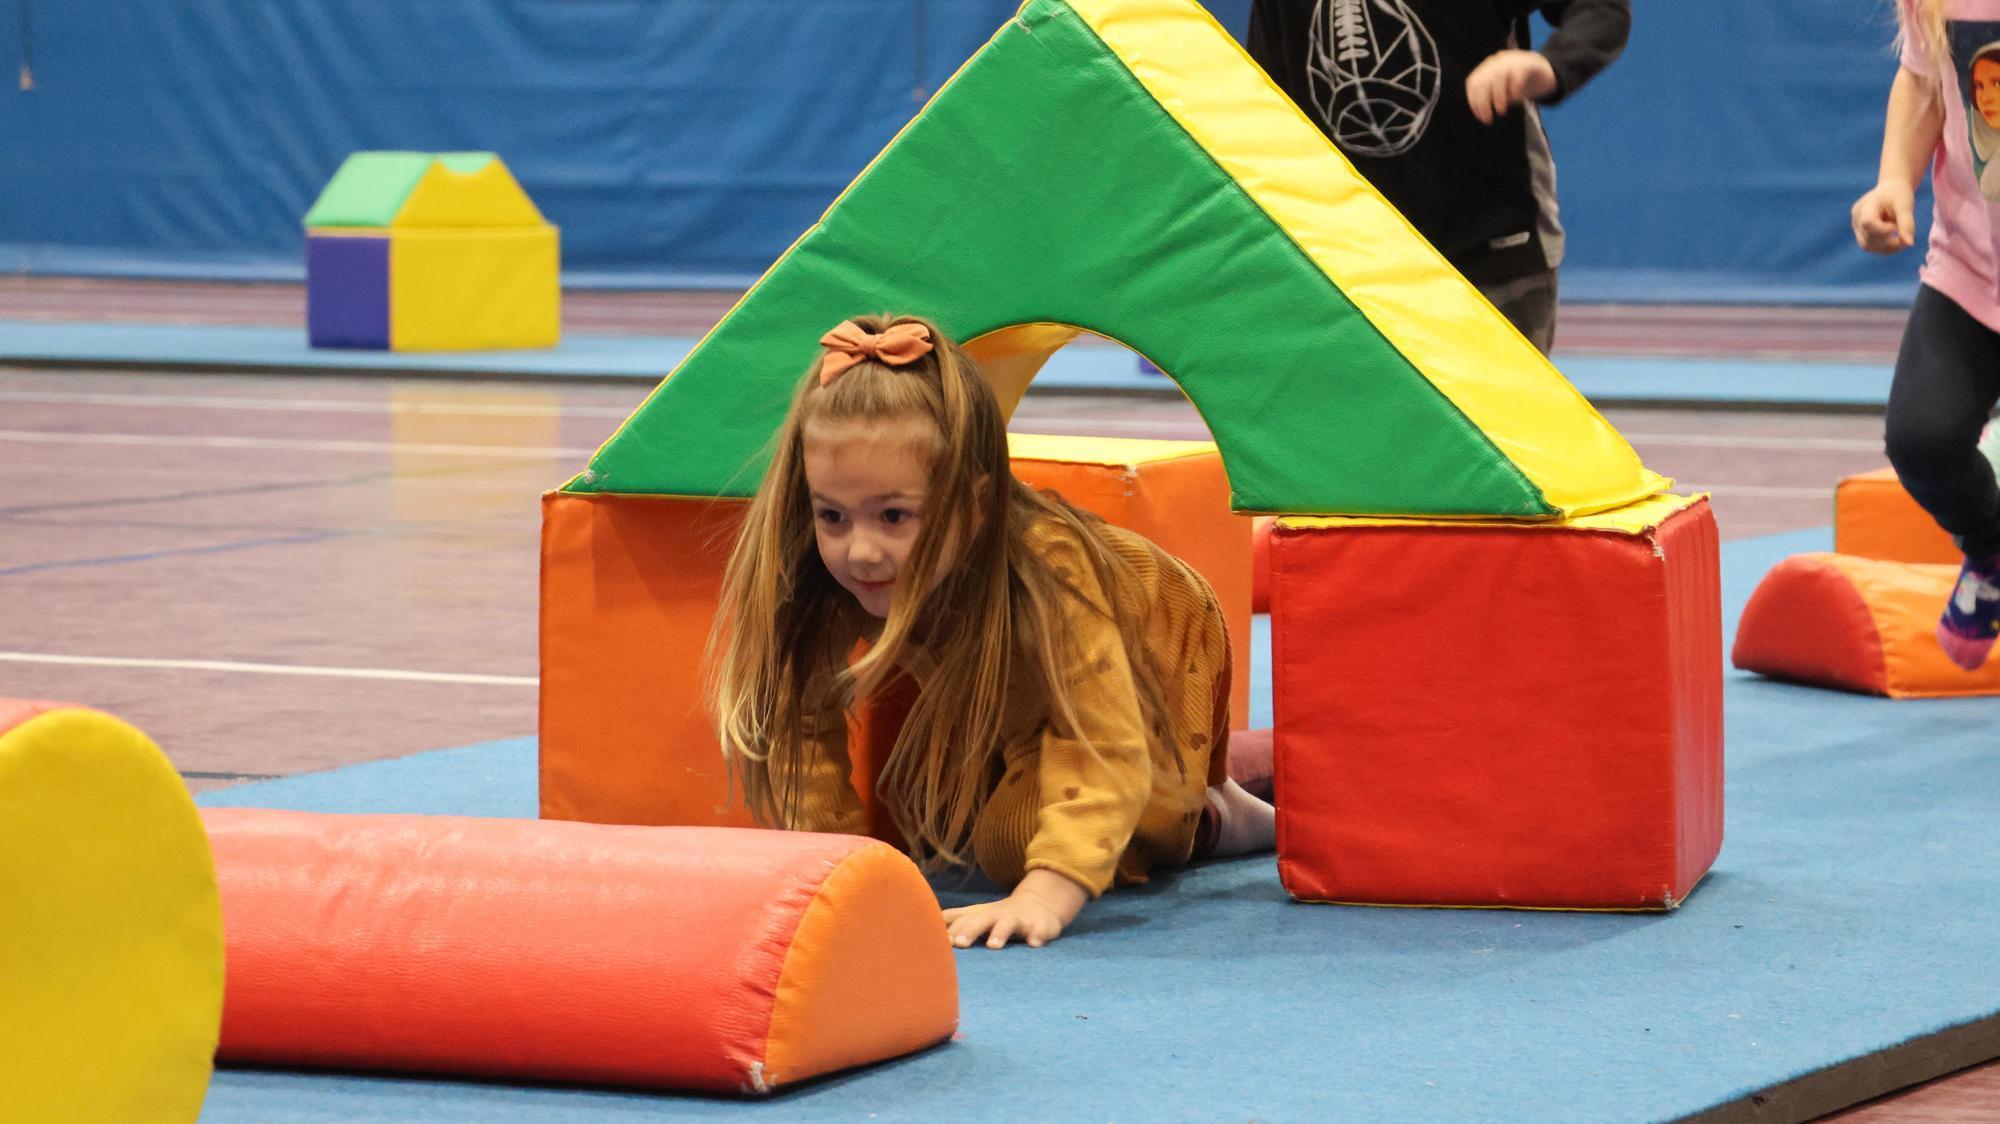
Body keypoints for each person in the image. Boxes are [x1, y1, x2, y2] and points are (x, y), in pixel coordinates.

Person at [708, 315, 1276, 949]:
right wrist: (834, 868)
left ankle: (1214, 812)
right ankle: (1226, 781)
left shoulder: (1052, 569)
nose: (860, 551)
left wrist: (1048, 889)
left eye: (894, 515)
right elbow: (799, 725)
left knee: (1014, 839)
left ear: (974, 505)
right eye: (832, 515)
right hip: (1027, 695)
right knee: (946, 815)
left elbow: (1099, 738)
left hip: (1160, 633)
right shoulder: (827, 575)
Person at [1246, 0, 1631, 353]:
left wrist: (1552, 66)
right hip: (1347, 264)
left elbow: (1601, 8)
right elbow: (1265, 101)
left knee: (1491, 410)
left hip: (1492, 254)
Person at [1853, 0, 2000, 669]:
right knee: (1921, 440)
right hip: (1971, 270)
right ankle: (1991, 547)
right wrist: (1893, 180)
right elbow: (1922, 81)